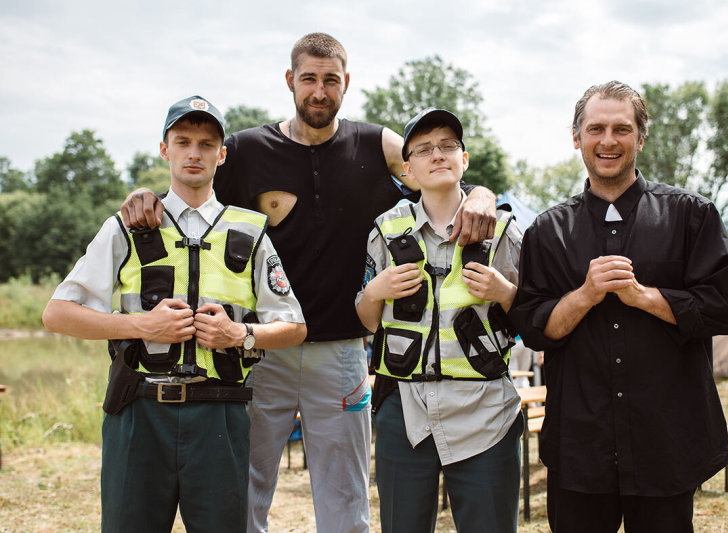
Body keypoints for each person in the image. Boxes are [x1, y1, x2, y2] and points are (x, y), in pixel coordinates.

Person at [119, 34, 499, 533]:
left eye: (331, 80)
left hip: (342, 351)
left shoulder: (374, 142)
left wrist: (482, 194)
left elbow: (436, 168)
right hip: (259, 349)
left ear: (346, 83)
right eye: (309, 79)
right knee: (244, 491)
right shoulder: (248, 149)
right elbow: (191, 182)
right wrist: (141, 193)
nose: (319, 91)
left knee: (345, 499)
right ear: (289, 81)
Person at [42, 95, 306, 533]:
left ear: (222, 154)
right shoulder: (127, 226)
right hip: (139, 412)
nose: (194, 153)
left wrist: (239, 333)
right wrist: (143, 325)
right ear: (164, 149)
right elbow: (58, 315)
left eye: (206, 144)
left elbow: (293, 326)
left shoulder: (250, 230)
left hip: (220, 414)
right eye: (182, 141)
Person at [509, 81, 728, 533]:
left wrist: (644, 297)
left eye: (622, 128)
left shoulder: (691, 216)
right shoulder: (546, 231)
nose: (608, 141)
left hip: (665, 441)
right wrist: (584, 295)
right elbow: (534, 329)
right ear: (577, 137)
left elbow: (724, 309)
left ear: (640, 137)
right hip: (580, 445)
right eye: (595, 128)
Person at [356, 108, 523, 532]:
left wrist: (505, 292)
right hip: (405, 411)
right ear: (408, 167)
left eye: (448, 145)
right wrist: (376, 291)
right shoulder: (385, 231)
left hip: (485, 410)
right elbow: (368, 322)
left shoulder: (504, 231)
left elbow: (533, 318)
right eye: (424, 149)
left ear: (464, 160)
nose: (438, 155)